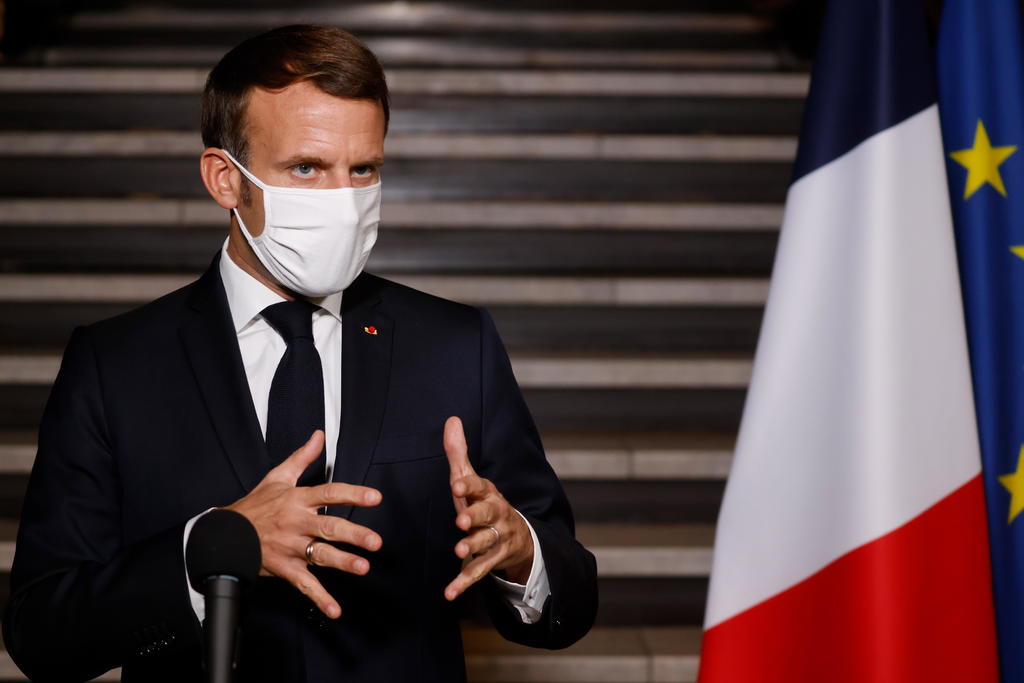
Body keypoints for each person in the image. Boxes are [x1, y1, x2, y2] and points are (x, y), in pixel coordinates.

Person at [2, 24, 598, 682]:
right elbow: (41, 630)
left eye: (362, 169)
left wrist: (521, 551)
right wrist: (210, 550)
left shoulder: (456, 345)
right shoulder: (114, 365)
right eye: (306, 168)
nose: (344, 202)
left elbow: (572, 597)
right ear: (225, 179)